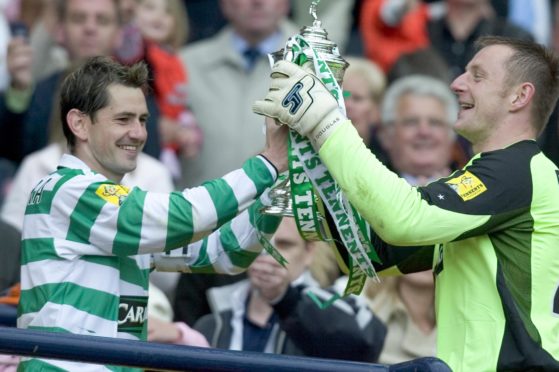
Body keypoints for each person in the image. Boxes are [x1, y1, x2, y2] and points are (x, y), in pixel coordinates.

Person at [253, 36, 559, 371]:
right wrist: (315, 159)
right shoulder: (505, 177)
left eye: (477, 75)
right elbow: (371, 252)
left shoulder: (516, 171)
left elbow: (405, 219)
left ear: (520, 96)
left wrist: (326, 122)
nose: (457, 84)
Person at [17, 56, 287, 371]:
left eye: (143, 120)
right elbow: (183, 216)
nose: (138, 133)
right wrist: (268, 164)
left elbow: (226, 253)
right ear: (78, 123)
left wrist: (279, 183)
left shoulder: (115, 216)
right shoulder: (67, 190)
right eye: (123, 119)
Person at [172, 0, 298, 327]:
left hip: (286, 238)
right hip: (197, 236)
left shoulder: (315, 65)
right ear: (224, 5)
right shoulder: (184, 64)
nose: (257, 2)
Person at [194, 217, 385, 362]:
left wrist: (284, 298)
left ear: (309, 252)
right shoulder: (210, 323)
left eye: (284, 245)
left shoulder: (341, 306)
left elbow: (366, 345)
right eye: (260, 243)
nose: (269, 255)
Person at [0, 0, 161, 165]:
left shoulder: (137, 96)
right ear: (60, 31)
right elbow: (12, 155)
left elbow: (149, 166)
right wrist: (19, 89)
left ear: (119, 34)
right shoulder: (40, 92)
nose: (90, 28)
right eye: (78, 19)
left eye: (102, 20)